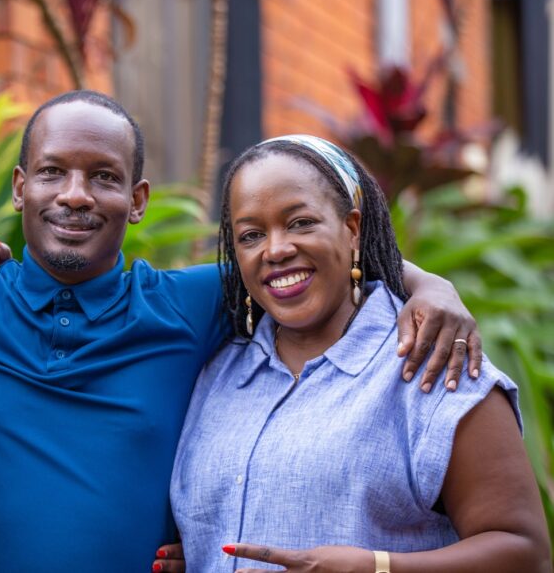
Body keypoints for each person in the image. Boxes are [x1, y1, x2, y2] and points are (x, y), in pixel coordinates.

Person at [0, 91, 482, 571]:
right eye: (52, 172)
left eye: (103, 177)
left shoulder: (187, 306)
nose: (75, 195)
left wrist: (428, 284)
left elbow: (298, 257)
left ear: (137, 199)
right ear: (19, 188)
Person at [169, 135, 550, 572]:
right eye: (252, 235)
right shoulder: (216, 372)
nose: (275, 249)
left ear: (352, 229)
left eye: (300, 223)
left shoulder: (433, 362)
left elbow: (526, 553)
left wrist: (379, 567)